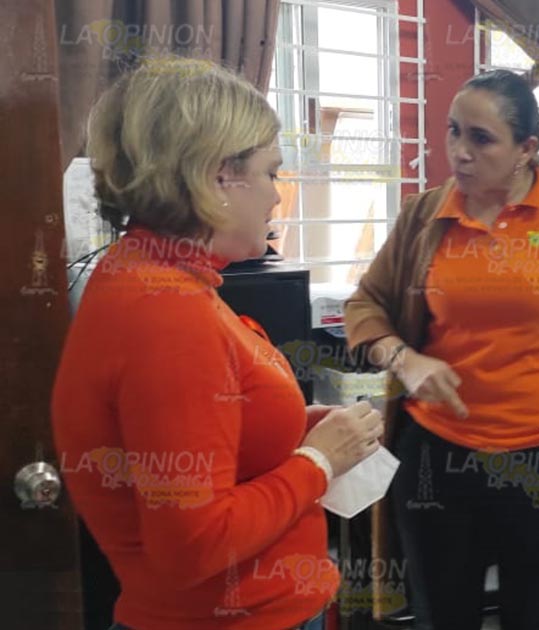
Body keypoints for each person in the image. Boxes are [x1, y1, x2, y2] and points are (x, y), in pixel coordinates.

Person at [52, 57, 384, 630]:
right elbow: (194, 545)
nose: (276, 197)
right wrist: (319, 461)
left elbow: (198, 437)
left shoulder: (150, 275)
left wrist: (296, 426)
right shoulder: (166, 312)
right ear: (216, 176)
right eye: (270, 173)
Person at [342, 69, 539, 629]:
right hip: (437, 458)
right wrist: (404, 358)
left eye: (481, 138)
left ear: (527, 148)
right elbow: (365, 305)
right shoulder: (425, 215)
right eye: (454, 131)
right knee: (443, 618)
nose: (460, 151)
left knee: (536, 618)